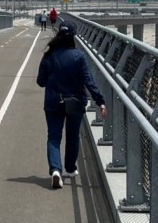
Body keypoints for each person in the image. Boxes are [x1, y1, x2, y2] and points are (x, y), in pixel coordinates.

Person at [36, 21, 106, 189]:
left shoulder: (49, 55)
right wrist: (100, 101)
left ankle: (55, 169)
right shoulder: (79, 56)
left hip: (53, 101)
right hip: (75, 101)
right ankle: (70, 168)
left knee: (53, 137)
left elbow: (40, 82)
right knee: (73, 136)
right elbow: (89, 81)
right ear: (74, 37)